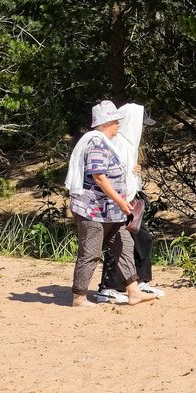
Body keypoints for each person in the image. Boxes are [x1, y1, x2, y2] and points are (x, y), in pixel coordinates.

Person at [66, 100, 153, 310]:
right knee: (91, 251)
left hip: (110, 211)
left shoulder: (106, 143)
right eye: (115, 122)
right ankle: (79, 296)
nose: (118, 126)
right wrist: (122, 201)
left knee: (124, 245)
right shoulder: (96, 142)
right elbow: (99, 177)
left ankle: (133, 291)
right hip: (93, 209)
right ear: (105, 123)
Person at [94, 102, 163, 301]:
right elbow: (107, 174)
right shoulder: (119, 144)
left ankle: (140, 282)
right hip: (120, 202)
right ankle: (108, 287)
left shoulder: (129, 144)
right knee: (119, 243)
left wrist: (136, 172)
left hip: (130, 200)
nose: (143, 128)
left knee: (141, 239)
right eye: (141, 123)